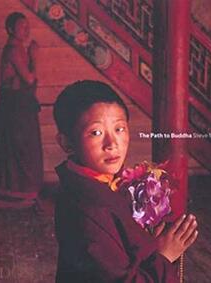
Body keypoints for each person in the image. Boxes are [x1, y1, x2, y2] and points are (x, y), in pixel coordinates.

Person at [53, 80, 198, 282]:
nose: (112, 144)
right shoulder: (87, 206)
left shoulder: (103, 184)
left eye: (119, 129)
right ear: (67, 142)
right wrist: (164, 257)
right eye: (96, 133)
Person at [0, 12, 43, 201]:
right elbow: (29, 79)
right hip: (14, 106)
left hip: (20, 105)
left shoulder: (19, 49)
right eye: (22, 26)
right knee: (19, 148)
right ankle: (16, 190)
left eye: (27, 25)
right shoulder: (13, 50)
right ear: (10, 29)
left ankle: (22, 190)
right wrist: (34, 57)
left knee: (24, 147)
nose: (26, 29)